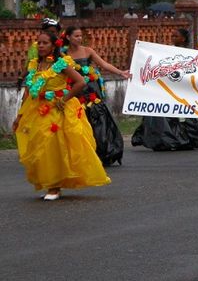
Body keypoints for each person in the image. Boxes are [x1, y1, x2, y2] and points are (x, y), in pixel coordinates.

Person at [12, 32, 111, 200]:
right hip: (37, 109)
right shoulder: (34, 65)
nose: (41, 46)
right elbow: (28, 92)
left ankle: (54, 187)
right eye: (39, 43)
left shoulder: (61, 64)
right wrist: (20, 115)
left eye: (45, 43)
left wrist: (64, 99)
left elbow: (80, 82)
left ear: (53, 46)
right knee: (38, 146)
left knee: (52, 144)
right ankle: (49, 182)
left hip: (57, 109)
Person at [62, 26, 130, 165]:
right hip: (73, 90)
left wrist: (121, 72)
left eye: (81, 36)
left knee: (98, 119)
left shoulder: (88, 51)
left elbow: (104, 64)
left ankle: (102, 151)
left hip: (91, 89)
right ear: (68, 37)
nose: (79, 38)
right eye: (76, 36)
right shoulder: (62, 54)